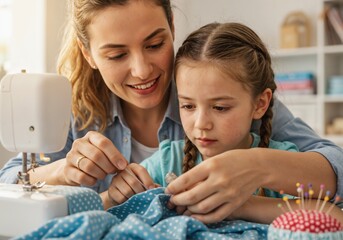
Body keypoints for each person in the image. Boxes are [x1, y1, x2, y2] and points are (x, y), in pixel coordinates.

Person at [0, 0, 342, 221]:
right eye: (117, 55)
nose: (142, 70)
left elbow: (334, 168)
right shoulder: (78, 111)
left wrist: (255, 165)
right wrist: (62, 172)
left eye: (155, 44)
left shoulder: (218, 89)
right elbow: (9, 184)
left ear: (172, 30)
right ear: (88, 55)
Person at [107, 22, 343, 224]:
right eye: (188, 106)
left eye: (220, 108)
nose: (201, 124)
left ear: (260, 104)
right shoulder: (167, 161)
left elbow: (333, 218)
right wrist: (114, 194)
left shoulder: (282, 158)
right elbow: (110, 206)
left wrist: (243, 205)